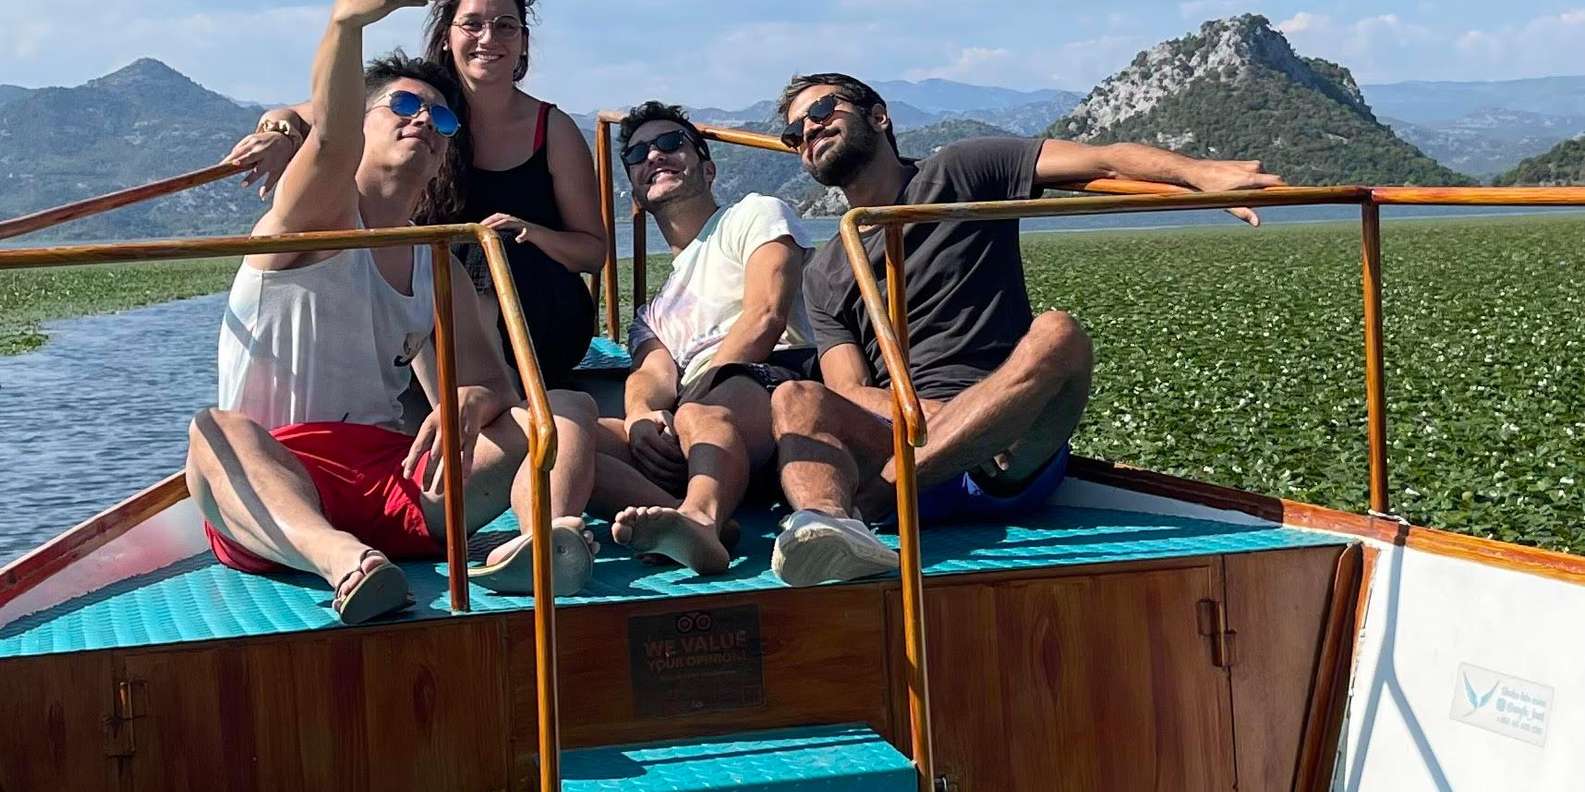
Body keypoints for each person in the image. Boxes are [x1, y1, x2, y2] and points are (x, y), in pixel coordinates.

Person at [768, 73, 1285, 586]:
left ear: (879, 116)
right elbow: (848, 389)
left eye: (822, 111)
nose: (809, 131)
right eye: (795, 134)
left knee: (1059, 333)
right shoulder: (826, 271)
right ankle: (828, 526)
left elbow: (1103, 160)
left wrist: (1198, 175)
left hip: (1008, 449)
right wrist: (945, 417)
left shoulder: (962, 170)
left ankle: (875, 501)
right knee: (795, 396)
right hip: (905, 436)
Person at [188, 0, 599, 625]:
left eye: (440, 117)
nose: (424, 121)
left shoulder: (437, 263)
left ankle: (545, 541)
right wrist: (346, 24)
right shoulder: (313, 220)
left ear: (446, 153)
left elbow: (491, 383)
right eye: (403, 106)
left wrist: (468, 401)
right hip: (281, 484)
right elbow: (330, 140)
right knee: (214, 433)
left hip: (396, 481)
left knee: (565, 409)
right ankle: (345, 563)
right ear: (363, 123)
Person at [224, 0, 606, 390]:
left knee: (478, 247)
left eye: (505, 26)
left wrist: (530, 232)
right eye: (472, 24)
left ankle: (488, 387)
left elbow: (592, 253)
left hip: (536, 314)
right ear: (447, 37)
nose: (488, 38)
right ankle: (455, 394)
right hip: (430, 315)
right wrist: (279, 133)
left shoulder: (553, 130)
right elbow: (319, 120)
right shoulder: (415, 105)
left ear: (523, 42)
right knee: (436, 257)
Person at [589, 102, 815, 574]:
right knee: (565, 440)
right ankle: (692, 519)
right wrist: (642, 417)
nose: (655, 155)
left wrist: (687, 407)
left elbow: (765, 317)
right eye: (637, 154)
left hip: (775, 385)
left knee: (703, 408)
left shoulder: (754, 215)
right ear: (635, 192)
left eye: (670, 143)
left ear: (708, 169)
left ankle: (700, 517)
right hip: (696, 427)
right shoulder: (653, 311)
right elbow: (651, 374)